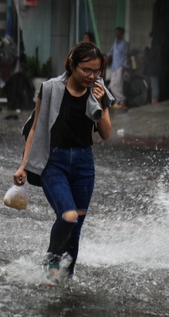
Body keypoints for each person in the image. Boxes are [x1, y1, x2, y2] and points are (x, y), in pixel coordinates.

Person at [13, 41, 112, 285]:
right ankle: (52, 260)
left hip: (84, 165)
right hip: (53, 162)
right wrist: (23, 165)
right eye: (86, 70)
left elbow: (106, 133)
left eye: (96, 71)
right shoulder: (49, 89)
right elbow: (35, 128)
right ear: (72, 65)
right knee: (68, 216)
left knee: (76, 228)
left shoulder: (99, 91)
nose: (91, 76)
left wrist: (101, 104)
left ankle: (66, 281)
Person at [108, 27, 129, 108]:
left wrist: (125, 65)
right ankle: (121, 99)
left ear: (121, 34)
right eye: (116, 32)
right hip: (114, 66)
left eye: (118, 33)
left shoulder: (124, 44)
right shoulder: (115, 43)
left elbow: (127, 56)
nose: (117, 34)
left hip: (120, 66)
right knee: (112, 85)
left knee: (119, 85)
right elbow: (111, 52)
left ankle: (120, 101)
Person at [142, 31, 160, 104]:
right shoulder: (157, 46)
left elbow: (151, 56)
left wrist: (146, 49)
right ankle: (153, 101)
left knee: (154, 86)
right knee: (153, 86)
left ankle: (154, 102)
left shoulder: (155, 46)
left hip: (153, 70)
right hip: (154, 69)